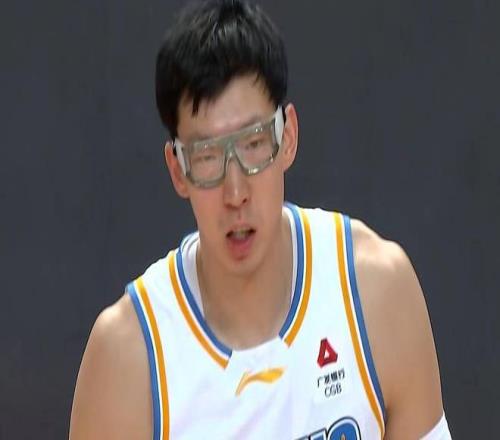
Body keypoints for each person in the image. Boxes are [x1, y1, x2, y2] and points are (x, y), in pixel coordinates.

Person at [69, 1, 452, 438]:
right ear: (177, 170)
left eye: (253, 143)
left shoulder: (375, 292)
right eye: (207, 156)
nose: (236, 193)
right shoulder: (129, 358)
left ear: (288, 137)